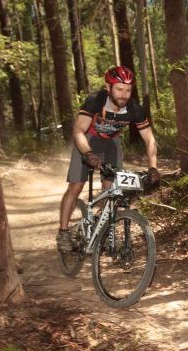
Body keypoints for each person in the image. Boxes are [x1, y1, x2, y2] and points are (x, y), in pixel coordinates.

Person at [57, 66, 161, 254]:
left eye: (128, 90)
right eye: (119, 89)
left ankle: (104, 231)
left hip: (111, 144)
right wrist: (88, 153)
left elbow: (150, 139)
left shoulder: (134, 108)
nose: (124, 94)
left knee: (111, 189)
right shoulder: (96, 101)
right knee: (76, 186)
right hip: (87, 141)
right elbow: (78, 131)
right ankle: (63, 232)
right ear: (108, 87)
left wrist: (153, 167)